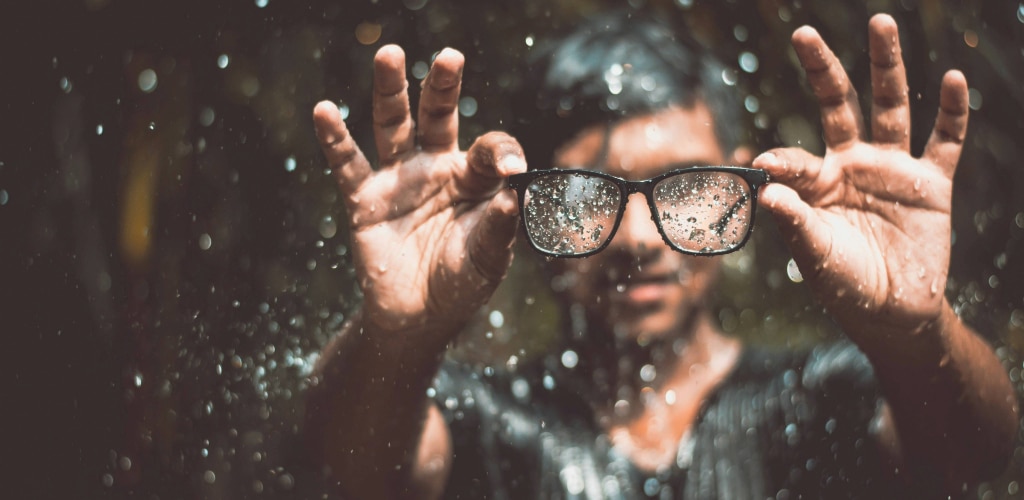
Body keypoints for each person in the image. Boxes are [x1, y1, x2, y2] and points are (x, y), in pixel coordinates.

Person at [305, 11, 1017, 499]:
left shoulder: (822, 396)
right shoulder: (483, 421)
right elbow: (353, 475)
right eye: (586, 197)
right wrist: (400, 335)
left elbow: (975, 456)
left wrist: (914, 333)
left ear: (741, 180)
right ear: (524, 207)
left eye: (686, 187)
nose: (639, 240)